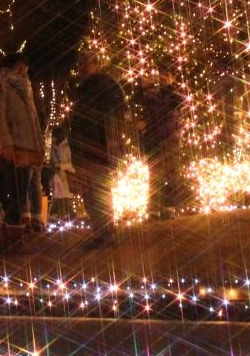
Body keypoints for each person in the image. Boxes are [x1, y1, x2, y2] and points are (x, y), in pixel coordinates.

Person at [0, 52, 45, 250]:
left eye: (25, 67)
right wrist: (6, 147)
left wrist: (39, 147)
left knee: (20, 194)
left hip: (27, 148)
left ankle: (9, 237)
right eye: (20, 67)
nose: (24, 70)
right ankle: (14, 239)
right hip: (13, 150)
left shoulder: (26, 90)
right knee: (15, 195)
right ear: (10, 67)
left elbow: (34, 123)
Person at [69, 52, 129, 247]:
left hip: (99, 145)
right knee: (90, 190)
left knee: (98, 189)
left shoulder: (105, 85)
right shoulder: (82, 89)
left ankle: (105, 233)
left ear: (97, 64)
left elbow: (117, 113)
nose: (81, 67)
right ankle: (101, 231)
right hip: (85, 145)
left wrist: (112, 138)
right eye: (80, 64)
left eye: (85, 63)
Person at [137, 64, 186, 217]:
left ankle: (169, 207)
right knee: (155, 175)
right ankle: (154, 208)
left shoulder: (175, 93)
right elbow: (141, 101)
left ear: (172, 77)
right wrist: (144, 87)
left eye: (166, 75)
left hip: (170, 138)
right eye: (161, 74)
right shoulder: (152, 94)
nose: (163, 77)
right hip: (154, 139)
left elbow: (179, 102)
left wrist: (169, 87)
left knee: (171, 173)